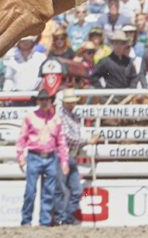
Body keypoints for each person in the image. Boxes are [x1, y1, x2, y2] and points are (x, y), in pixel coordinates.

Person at [16, 89, 69, 226]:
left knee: (49, 192)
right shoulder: (30, 117)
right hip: (34, 156)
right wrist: (20, 155)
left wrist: (64, 161)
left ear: (51, 101)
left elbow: (61, 141)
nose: (45, 102)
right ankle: (26, 220)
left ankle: (44, 222)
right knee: (30, 191)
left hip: (51, 157)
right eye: (42, 100)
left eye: (47, 100)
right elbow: (22, 138)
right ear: (38, 101)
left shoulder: (56, 119)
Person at [54, 89, 97, 225]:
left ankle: (66, 219)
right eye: (70, 102)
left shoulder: (74, 117)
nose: (73, 104)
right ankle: (61, 218)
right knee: (61, 189)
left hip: (71, 156)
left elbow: (73, 136)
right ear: (65, 103)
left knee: (76, 190)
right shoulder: (60, 115)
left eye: (73, 102)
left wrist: (86, 139)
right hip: (62, 155)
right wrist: (87, 140)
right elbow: (67, 137)